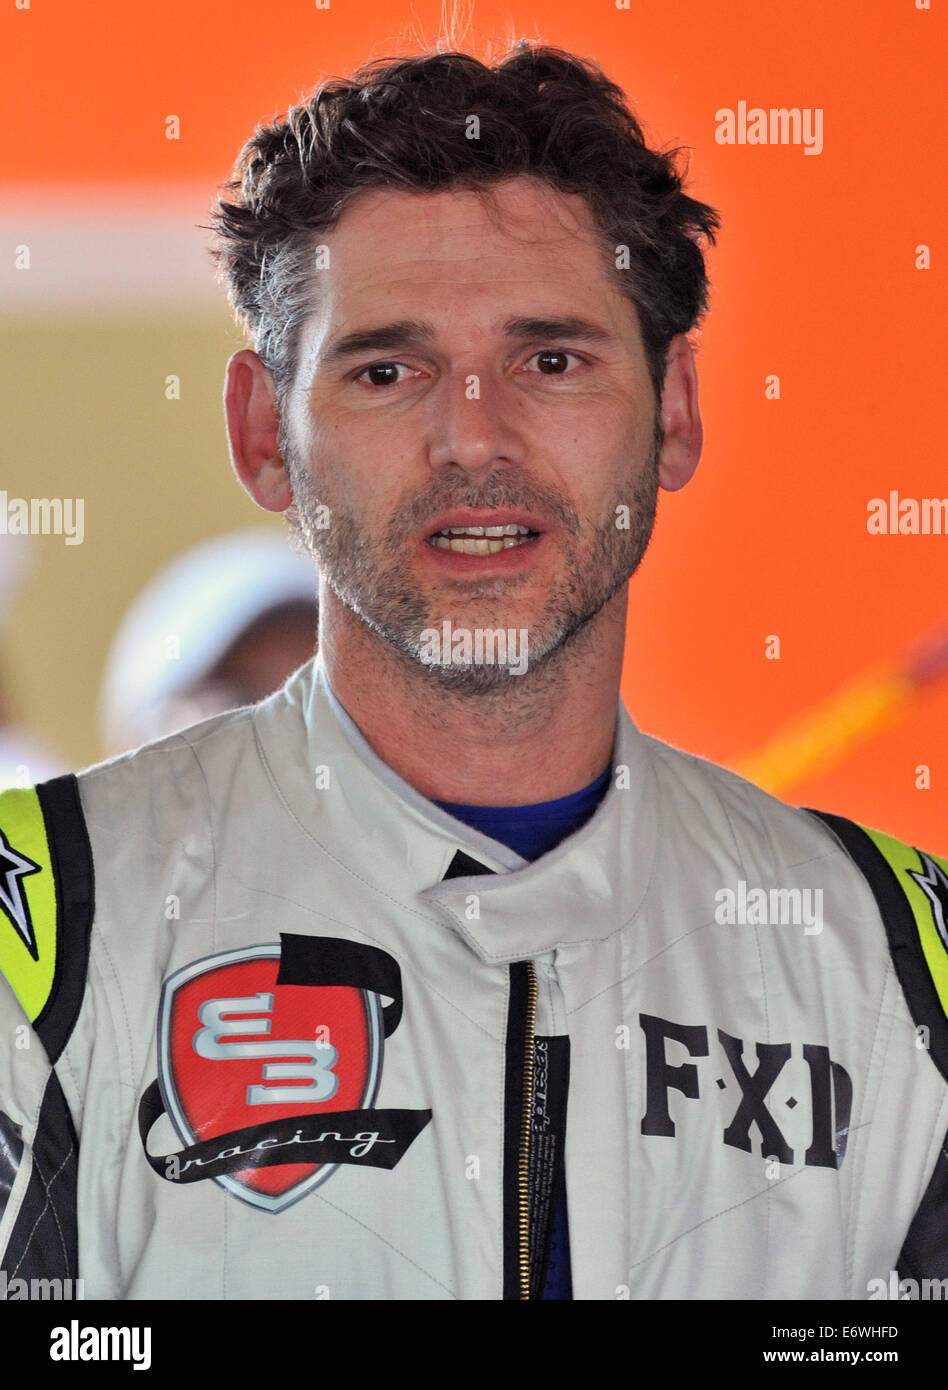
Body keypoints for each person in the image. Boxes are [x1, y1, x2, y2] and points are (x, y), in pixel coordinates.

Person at [1, 42, 946, 1303]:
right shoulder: (45, 930)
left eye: (551, 360)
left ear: (671, 413)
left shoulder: (897, 958)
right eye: (386, 370)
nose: (473, 438)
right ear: (260, 434)